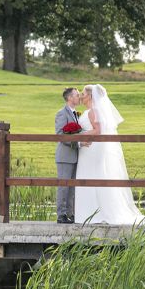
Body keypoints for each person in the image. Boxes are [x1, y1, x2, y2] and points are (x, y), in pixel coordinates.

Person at [74, 84, 145, 226]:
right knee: (91, 177)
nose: (81, 96)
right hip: (88, 150)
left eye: (83, 94)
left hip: (92, 150)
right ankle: (90, 212)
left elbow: (97, 130)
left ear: (90, 96)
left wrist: (79, 135)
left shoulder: (92, 111)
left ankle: (95, 213)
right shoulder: (91, 111)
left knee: (93, 177)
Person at [54, 87, 81, 223]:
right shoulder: (62, 113)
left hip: (75, 156)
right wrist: (78, 143)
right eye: (77, 95)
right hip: (65, 156)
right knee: (63, 186)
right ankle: (61, 215)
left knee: (72, 187)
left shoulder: (76, 113)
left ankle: (70, 214)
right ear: (70, 98)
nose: (79, 97)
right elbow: (60, 135)